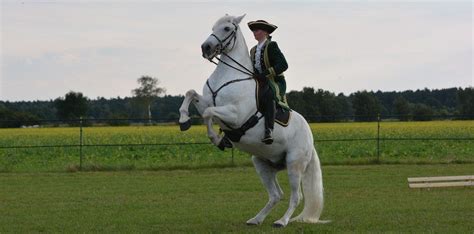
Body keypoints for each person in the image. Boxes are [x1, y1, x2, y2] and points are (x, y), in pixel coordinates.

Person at [248, 20, 289, 144]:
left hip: (274, 81)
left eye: (257, 30)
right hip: (259, 82)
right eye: (253, 30)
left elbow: (283, 65)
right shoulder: (253, 50)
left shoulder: (272, 45)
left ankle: (269, 130)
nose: (254, 32)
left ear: (265, 32)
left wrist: (265, 74)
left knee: (269, 95)